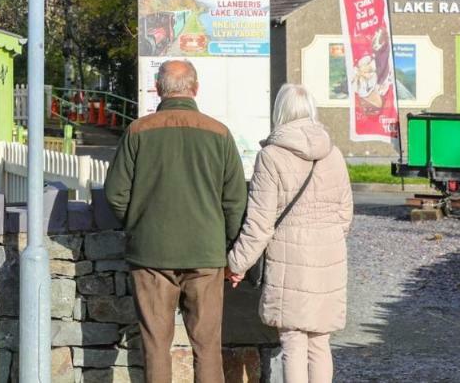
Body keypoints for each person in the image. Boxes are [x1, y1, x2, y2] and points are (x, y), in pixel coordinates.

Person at [104, 59, 247, 383]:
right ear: (195, 89)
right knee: (208, 346)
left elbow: (115, 193)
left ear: (157, 89)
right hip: (205, 254)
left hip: (151, 254)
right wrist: (223, 242)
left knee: (156, 347)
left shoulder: (138, 131)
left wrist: (139, 225)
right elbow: (235, 200)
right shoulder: (219, 133)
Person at [226, 84, 353, 383]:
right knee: (321, 342)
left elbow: (259, 223)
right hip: (329, 257)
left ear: (279, 112)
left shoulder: (271, 156)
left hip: (289, 259)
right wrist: (327, 238)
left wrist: (236, 264)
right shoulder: (333, 154)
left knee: (293, 342)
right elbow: (345, 213)